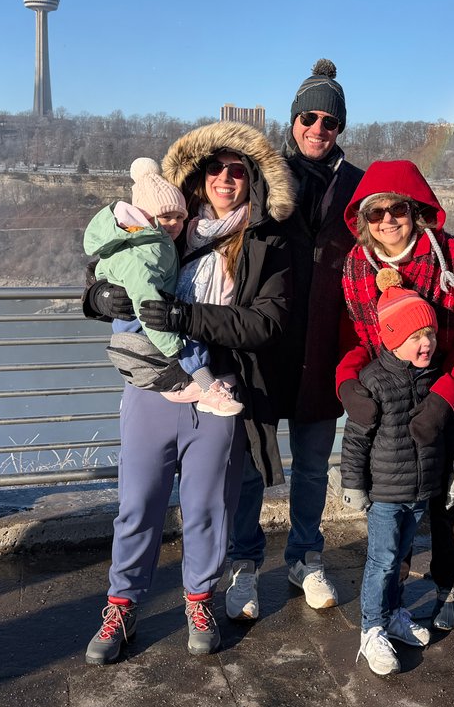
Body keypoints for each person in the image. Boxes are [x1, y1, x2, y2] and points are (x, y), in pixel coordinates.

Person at [82, 121, 294, 664]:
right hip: (152, 387)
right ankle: (122, 605)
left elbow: (267, 324)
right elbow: (111, 261)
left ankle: (200, 600)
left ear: (252, 180)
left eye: (238, 170)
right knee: (138, 504)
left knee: (207, 508)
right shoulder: (168, 223)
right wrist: (99, 298)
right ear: (199, 177)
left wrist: (185, 316)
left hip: (217, 388)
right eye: (215, 168)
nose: (225, 178)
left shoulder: (265, 242)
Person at [225, 58, 364, 618]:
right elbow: (198, 223)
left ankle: (306, 557)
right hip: (262, 344)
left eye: (329, 121)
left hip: (324, 346)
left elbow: (397, 237)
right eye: (308, 118)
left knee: (311, 467)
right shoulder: (262, 176)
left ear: (340, 128)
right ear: (293, 121)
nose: (317, 128)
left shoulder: (357, 185)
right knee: (251, 467)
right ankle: (243, 563)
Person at [336, 160, 454, 631]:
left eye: (396, 209)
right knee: (392, 498)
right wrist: (347, 382)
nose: (387, 221)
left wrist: (444, 398)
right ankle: (393, 593)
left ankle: (448, 585)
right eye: (375, 213)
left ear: (415, 210)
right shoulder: (357, 265)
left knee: (449, 501)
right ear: (363, 220)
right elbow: (356, 339)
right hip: (391, 401)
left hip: (449, 394)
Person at [340, 272, 454, 675]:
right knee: (382, 561)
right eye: (416, 336)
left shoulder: (435, 377)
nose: (426, 343)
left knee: (398, 559)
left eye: (429, 334)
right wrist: (353, 484)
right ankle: (371, 629)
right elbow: (356, 438)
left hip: (420, 489)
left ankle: (394, 614)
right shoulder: (373, 381)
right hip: (384, 493)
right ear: (393, 339)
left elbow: (453, 429)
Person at [82, 156, 242, 416]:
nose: (174, 224)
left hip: (142, 328)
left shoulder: (135, 240)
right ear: (144, 217)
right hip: (146, 329)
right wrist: (98, 295)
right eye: (166, 216)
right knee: (187, 340)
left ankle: (196, 385)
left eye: (180, 217)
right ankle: (204, 387)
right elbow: (144, 300)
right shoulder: (150, 249)